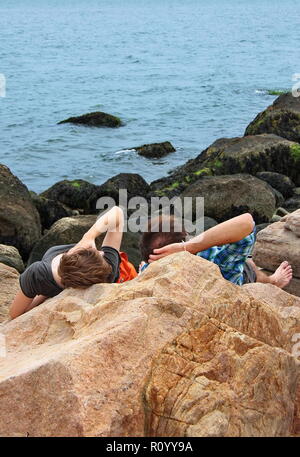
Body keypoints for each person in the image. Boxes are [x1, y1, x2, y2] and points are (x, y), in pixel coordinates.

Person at [10, 206, 125, 320]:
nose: (102, 252)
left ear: (77, 254)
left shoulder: (38, 274)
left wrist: (43, 295)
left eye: (96, 252)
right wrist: (88, 237)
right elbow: (118, 213)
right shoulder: (107, 272)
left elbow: (15, 314)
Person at [139, 213, 293, 288]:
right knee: (247, 263)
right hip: (238, 285)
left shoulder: (149, 273)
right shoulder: (213, 261)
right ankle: (273, 281)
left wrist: (144, 270)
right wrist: (188, 247)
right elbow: (247, 222)